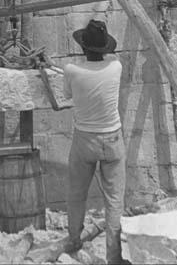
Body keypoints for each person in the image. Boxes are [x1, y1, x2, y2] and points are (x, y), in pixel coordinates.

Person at [63, 19, 127, 264]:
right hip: (112, 137)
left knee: (77, 193)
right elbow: (108, 59)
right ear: (104, 48)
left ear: (83, 47)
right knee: (114, 200)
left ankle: (74, 239)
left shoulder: (71, 69)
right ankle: (113, 256)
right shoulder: (116, 66)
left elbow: (68, 94)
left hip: (84, 140)